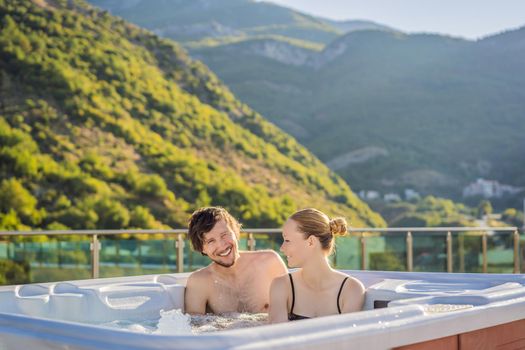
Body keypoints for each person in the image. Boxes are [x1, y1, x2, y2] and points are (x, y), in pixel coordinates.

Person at [184, 206, 288, 314]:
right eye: (211, 241)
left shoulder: (269, 262)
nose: (221, 245)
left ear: (235, 231)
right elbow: (194, 326)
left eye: (224, 235)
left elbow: (296, 309)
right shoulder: (199, 282)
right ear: (202, 248)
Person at [269, 208, 365, 323]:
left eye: (287, 240)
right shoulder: (281, 286)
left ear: (311, 242)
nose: (282, 248)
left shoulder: (351, 289)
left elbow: (347, 339)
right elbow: (276, 337)